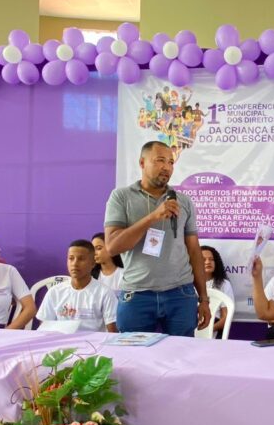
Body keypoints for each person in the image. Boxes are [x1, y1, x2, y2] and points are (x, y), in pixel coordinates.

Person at [103, 141, 210, 336]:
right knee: (134, 353)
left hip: (181, 294)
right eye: (160, 160)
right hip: (137, 294)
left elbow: (194, 251)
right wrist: (153, 217)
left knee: (181, 353)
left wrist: (203, 298)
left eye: (171, 162)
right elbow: (112, 247)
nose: (167, 167)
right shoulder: (121, 197)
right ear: (142, 163)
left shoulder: (183, 201)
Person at [37, 240, 117, 333]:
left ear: (93, 263)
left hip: (92, 341)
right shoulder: (55, 292)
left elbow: (112, 332)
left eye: (81, 259)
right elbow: (45, 327)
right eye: (71, 258)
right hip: (62, 341)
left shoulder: (104, 293)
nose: (74, 264)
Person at [201, 245, 234, 336]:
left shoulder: (224, 284)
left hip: (214, 330)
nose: (208, 262)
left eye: (211, 259)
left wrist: (208, 330)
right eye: (203, 260)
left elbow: (226, 318)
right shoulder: (188, 284)